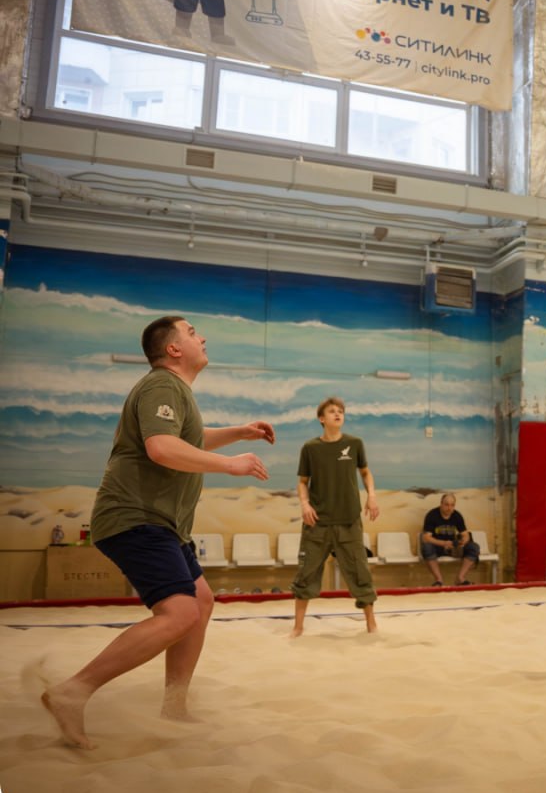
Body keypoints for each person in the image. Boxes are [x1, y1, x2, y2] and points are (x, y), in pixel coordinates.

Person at [41, 316, 274, 748]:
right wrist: (231, 464)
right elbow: (162, 447)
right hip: (136, 517)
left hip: (164, 524)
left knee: (200, 602)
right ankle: (72, 692)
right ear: (173, 349)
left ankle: (174, 706)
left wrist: (239, 433)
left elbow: (188, 438)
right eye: (192, 332)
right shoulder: (162, 385)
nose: (202, 337)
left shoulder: (176, 392)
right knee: (180, 613)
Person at [289, 396, 380, 637]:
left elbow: (366, 473)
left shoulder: (355, 443)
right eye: (332, 411)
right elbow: (302, 482)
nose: (338, 414)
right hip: (317, 522)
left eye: (340, 411)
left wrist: (371, 495)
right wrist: (304, 504)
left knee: (360, 573)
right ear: (322, 418)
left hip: (349, 521)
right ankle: (298, 627)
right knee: (306, 573)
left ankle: (371, 624)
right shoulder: (310, 448)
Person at [420, 493, 480, 586]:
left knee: (474, 547)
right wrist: (443, 543)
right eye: (446, 505)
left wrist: (463, 541)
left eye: (452, 505)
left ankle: (460, 578)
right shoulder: (432, 515)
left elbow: (465, 534)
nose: (449, 508)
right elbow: (426, 538)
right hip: (437, 547)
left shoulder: (457, 515)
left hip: (453, 547)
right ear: (441, 504)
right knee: (427, 547)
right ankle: (439, 580)